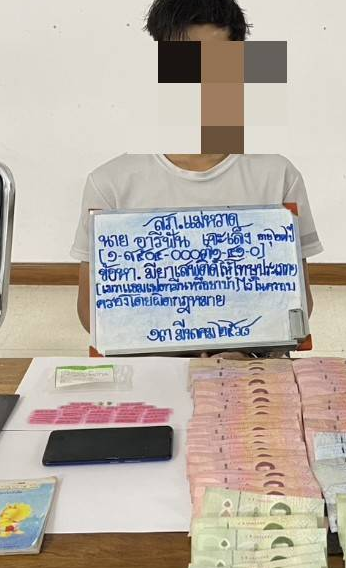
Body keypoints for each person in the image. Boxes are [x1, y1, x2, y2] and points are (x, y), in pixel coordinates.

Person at [71, 0, 324, 335]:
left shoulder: (278, 176)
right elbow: (92, 313)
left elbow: (296, 304)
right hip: (148, 360)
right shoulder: (110, 183)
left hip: (253, 358)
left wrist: (240, 350)